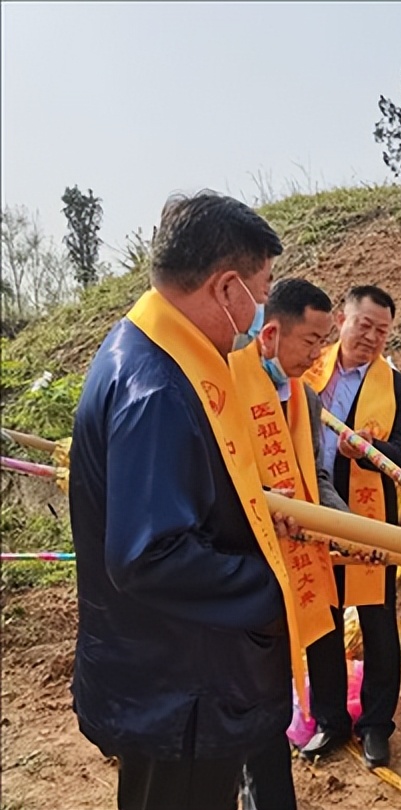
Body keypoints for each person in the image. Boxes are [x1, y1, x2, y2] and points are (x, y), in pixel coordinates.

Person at [69, 192, 300, 810]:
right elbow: (152, 554)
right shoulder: (157, 389)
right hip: (180, 694)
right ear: (227, 289)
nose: (260, 313)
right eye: (261, 289)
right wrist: (274, 583)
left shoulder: (155, 351)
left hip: (178, 681)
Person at [233, 277, 347, 810]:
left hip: (294, 567)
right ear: (272, 333)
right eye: (310, 341)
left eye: (325, 341)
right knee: (250, 706)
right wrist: (258, 502)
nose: (317, 353)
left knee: (273, 703)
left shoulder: (304, 393)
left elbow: (317, 479)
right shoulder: (227, 384)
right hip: (244, 573)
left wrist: (347, 527)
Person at [299, 285, 401, 768]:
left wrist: (371, 451)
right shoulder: (305, 372)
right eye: (363, 324)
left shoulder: (400, 389)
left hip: (370, 521)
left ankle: (375, 726)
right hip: (312, 515)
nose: (370, 337)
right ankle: (330, 721)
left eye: (382, 330)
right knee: (322, 620)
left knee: (378, 623)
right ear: (341, 321)